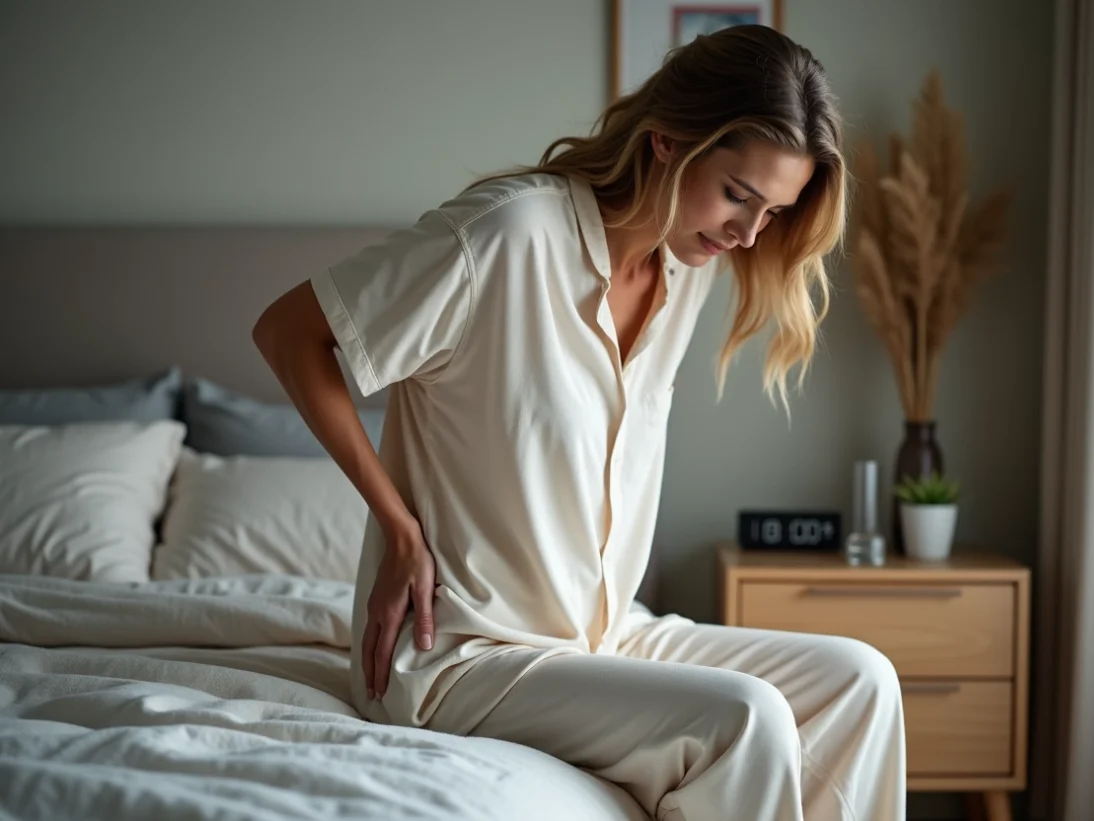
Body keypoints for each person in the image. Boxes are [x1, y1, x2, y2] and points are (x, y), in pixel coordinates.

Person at [253, 24, 905, 821]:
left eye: (772, 212)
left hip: (602, 635)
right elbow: (289, 332)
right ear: (668, 141)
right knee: (745, 718)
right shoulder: (505, 237)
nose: (747, 235)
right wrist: (397, 526)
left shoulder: (683, 267)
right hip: (466, 653)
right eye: (739, 194)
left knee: (862, 678)